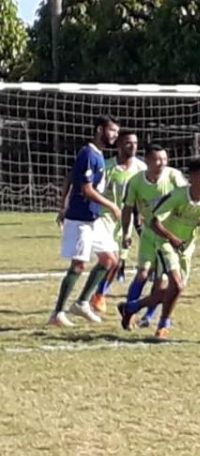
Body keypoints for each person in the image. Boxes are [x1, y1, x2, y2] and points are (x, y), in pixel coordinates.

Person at [118, 158, 200, 340]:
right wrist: (172, 238)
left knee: (176, 289)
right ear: (192, 177)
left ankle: (132, 307)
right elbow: (154, 221)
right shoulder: (178, 196)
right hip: (164, 242)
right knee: (176, 284)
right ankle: (163, 325)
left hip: (186, 247)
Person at [48, 115, 122, 326]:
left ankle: (82, 303)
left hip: (93, 218)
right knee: (79, 264)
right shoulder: (88, 153)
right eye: (112, 130)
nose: (114, 135)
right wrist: (112, 205)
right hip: (80, 219)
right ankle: (57, 313)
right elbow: (86, 189)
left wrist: (62, 204)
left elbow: (70, 176)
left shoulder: (97, 155)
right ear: (99, 130)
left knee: (110, 259)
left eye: (117, 132)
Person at [120, 144, 187, 329]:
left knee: (162, 280)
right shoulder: (136, 182)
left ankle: (148, 317)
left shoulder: (174, 177)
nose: (162, 163)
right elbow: (127, 209)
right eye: (157, 159)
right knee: (142, 273)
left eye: (164, 159)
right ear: (147, 161)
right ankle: (129, 314)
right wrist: (126, 233)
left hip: (168, 236)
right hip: (149, 234)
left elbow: (186, 198)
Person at [89, 131, 147, 313]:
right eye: (128, 142)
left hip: (126, 221)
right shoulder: (107, 167)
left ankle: (99, 294)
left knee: (119, 261)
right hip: (105, 218)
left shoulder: (141, 169)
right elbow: (92, 190)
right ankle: (96, 295)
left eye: (135, 143)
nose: (133, 146)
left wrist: (141, 217)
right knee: (111, 259)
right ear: (119, 145)